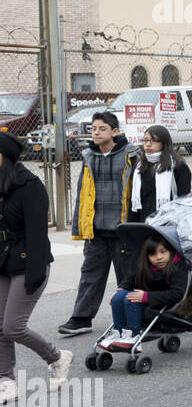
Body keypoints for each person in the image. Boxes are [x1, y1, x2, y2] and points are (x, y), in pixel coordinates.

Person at [0, 133, 71, 406]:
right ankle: (5, 380)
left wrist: (34, 274)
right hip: (3, 263)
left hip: (29, 263)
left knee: (13, 326)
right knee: (0, 327)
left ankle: (56, 356)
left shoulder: (30, 186)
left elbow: (38, 236)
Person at [59, 111, 140, 336]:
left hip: (123, 230)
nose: (96, 132)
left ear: (114, 132)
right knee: (90, 275)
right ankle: (81, 318)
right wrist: (80, 226)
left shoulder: (131, 154)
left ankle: (135, 318)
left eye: (102, 129)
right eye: (93, 128)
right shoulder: (88, 156)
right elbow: (82, 194)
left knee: (128, 276)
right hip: (96, 230)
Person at [105, 230, 188, 349]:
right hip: (149, 303)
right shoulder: (147, 267)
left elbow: (177, 294)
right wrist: (121, 288)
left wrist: (146, 297)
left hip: (167, 307)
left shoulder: (178, 267)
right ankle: (118, 332)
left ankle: (133, 335)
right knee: (119, 297)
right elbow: (131, 279)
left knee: (131, 299)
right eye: (153, 254)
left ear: (171, 251)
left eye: (163, 252)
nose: (158, 257)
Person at [129, 125, 191, 223]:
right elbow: (134, 201)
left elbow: (183, 199)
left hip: (168, 223)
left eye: (153, 140)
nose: (148, 144)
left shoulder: (178, 166)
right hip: (143, 223)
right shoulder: (139, 166)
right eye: (145, 140)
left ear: (164, 143)